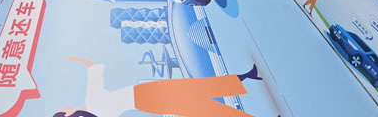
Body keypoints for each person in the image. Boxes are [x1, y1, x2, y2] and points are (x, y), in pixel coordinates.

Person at [54, 56, 262, 117]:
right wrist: (77, 60)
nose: (66, 106)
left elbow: (93, 67)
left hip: (145, 101)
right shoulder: (91, 102)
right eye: (63, 109)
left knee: (200, 103)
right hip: (144, 96)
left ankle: (245, 77)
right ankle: (245, 77)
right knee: (199, 96)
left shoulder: (92, 105)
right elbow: (93, 66)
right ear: (67, 113)